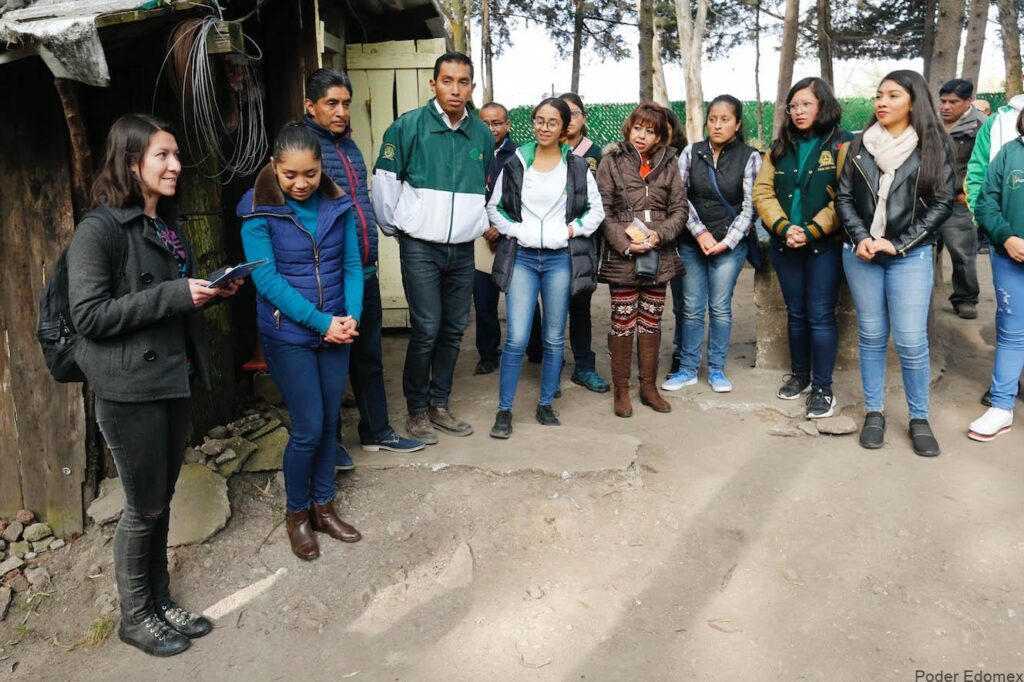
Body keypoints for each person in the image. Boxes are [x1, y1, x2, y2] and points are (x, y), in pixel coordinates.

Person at [68, 114, 242, 656]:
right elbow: (88, 316)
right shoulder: (98, 229)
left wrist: (208, 292)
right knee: (143, 507)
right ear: (130, 161)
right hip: (129, 389)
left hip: (171, 377)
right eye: (162, 155)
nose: (175, 165)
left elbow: (168, 298)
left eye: (176, 155)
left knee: (161, 502)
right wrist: (174, 295)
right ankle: (135, 615)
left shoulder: (164, 223)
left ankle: (161, 601)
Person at [240, 124, 364, 561]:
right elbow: (266, 280)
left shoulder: (337, 204)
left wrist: (351, 317)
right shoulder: (257, 211)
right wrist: (321, 322)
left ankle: (324, 508)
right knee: (309, 426)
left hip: (336, 330)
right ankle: (296, 514)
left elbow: (352, 265)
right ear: (274, 166)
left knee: (330, 423)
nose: (300, 184)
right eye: (289, 174)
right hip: (289, 334)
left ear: (321, 167)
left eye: (310, 174)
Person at [302, 68, 424, 461]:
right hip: (330, 275)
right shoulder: (303, 147)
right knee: (330, 364)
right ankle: (331, 443)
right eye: (331, 103)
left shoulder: (349, 146)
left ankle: (376, 430)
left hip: (364, 270)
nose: (341, 111)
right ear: (310, 106)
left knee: (369, 357)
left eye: (346, 103)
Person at [372, 52, 492, 443]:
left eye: (463, 82)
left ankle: (440, 404)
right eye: (447, 80)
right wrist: (401, 230)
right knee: (427, 327)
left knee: (454, 328)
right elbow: (384, 185)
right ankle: (417, 409)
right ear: (433, 83)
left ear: (471, 87)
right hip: (420, 247)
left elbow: (486, 188)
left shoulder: (481, 134)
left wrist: (474, 225)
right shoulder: (407, 127)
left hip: (462, 249)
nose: (455, 89)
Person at [835, 70, 956, 457]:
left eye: (892, 95)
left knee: (910, 340)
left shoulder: (934, 144)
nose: (881, 102)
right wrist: (861, 238)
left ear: (913, 101)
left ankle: (919, 417)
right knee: (871, 336)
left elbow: (942, 203)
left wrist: (898, 244)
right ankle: (874, 413)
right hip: (862, 253)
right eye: (879, 95)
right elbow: (843, 197)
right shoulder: (860, 144)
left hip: (909, 254)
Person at [485, 97, 605, 437]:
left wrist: (570, 230)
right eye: (539, 120)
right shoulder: (517, 162)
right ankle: (504, 410)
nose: (544, 127)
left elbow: (595, 211)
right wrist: (516, 230)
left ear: (563, 126)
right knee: (517, 337)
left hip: (558, 260)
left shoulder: (577, 166)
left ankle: (545, 404)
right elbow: (495, 208)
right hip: (522, 258)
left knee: (553, 337)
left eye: (552, 122)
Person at [752, 77, 853, 417]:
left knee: (820, 315)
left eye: (806, 104)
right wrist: (783, 227)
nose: (798, 111)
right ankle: (800, 375)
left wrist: (811, 231)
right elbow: (762, 192)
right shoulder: (780, 146)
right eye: (793, 106)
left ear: (823, 105)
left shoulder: (843, 144)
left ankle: (823, 388)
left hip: (825, 245)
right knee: (795, 313)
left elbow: (846, 196)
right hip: (785, 243)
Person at [664, 95, 761, 395]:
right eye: (713, 119)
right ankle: (687, 369)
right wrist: (700, 233)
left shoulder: (750, 157)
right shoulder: (691, 153)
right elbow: (680, 198)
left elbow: (751, 207)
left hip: (729, 245)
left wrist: (726, 242)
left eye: (725, 120)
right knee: (691, 307)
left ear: (737, 124)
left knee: (720, 308)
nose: (717, 125)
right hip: (692, 243)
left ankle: (717, 369)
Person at [596, 103, 686, 418]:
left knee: (651, 321)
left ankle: (648, 387)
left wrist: (659, 236)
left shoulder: (670, 162)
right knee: (622, 322)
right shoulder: (610, 162)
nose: (641, 135)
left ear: (660, 136)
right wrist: (625, 243)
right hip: (623, 257)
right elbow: (603, 211)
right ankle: (621, 390)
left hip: (658, 254)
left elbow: (680, 209)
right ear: (629, 128)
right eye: (637, 128)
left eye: (649, 131)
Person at [472, 101, 542, 374]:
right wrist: (484, 225)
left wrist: (502, 226)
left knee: (525, 296)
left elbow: (529, 198)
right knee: (484, 300)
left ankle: (537, 349)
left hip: (514, 235)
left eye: (497, 123)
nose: (491, 129)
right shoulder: (471, 152)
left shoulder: (521, 156)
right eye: (485, 123)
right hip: (480, 235)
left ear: (507, 124)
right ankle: (488, 354)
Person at [968, 107, 1024, 441]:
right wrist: (1007, 237)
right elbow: (985, 202)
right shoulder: (1008, 153)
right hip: (1010, 257)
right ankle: (1002, 407)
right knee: (1012, 333)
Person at [558, 92, 610, 394]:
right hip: (549, 238)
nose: (569, 119)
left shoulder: (596, 154)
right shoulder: (543, 150)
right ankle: (549, 367)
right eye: (563, 113)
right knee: (552, 304)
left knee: (580, 303)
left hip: (583, 238)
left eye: (574, 113)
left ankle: (584, 367)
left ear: (583, 118)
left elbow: (602, 199)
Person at [937, 78, 986, 319]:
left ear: (968, 102)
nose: (946, 107)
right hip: (928, 200)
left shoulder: (981, 125)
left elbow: (987, 163)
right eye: (943, 101)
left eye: (953, 102)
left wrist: (969, 193)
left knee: (962, 253)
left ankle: (965, 298)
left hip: (959, 201)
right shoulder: (930, 122)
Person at [663, 106, 689, 378]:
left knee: (683, 302)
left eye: (663, 127)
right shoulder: (633, 161)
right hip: (646, 242)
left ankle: (681, 351)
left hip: (681, 241)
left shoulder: (685, 158)